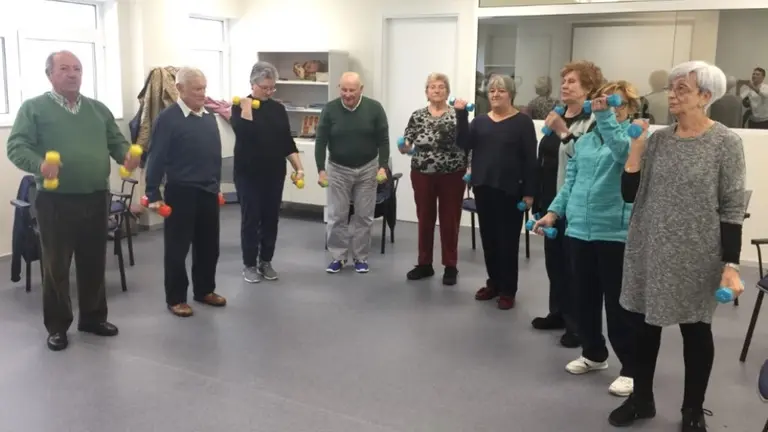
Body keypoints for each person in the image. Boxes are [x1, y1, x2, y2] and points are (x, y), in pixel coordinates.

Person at [608, 61, 746, 431]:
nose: (672, 94)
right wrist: (636, 149)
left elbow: (733, 206)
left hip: (697, 254)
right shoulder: (659, 139)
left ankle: (692, 410)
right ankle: (642, 400)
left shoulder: (725, 143)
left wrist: (730, 264)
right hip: (649, 247)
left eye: (682, 89)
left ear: (705, 96)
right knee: (644, 328)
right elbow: (629, 194)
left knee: (695, 331)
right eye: (671, 88)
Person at [6, 50, 140, 351]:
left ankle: (92, 318)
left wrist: (127, 157)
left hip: (96, 195)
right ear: (50, 74)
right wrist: (39, 164)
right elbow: (16, 146)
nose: (72, 74)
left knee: (94, 261)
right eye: (64, 68)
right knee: (56, 266)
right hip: (55, 200)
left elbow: (116, 143)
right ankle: (57, 326)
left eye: (77, 68)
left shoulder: (97, 109)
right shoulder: (34, 108)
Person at [535, 80, 642, 397]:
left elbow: (623, 155)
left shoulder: (633, 136)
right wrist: (553, 213)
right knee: (583, 298)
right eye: (603, 102)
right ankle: (594, 353)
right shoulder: (584, 142)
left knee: (618, 304)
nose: (607, 108)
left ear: (628, 107)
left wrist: (607, 116)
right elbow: (570, 182)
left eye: (615, 103)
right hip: (579, 230)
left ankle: (631, 369)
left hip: (613, 232)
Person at [531, 61, 603, 348]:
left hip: (576, 204)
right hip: (552, 200)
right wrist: (539, 199)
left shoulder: (593, 121)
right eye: (564, 81)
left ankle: (578, 326)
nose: (565, 85)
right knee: (555, 263)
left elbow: (586, 161)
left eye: (572, 81)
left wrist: (562, 130)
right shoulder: (559, 115)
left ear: (588, 87)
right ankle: (558, 313)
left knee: (576, 268)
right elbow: (546, 159)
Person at [145, 67, 226, 318]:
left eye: (204, 88)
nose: (203, 93)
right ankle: (176, 297)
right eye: (197, 89)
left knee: (209, 247)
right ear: (180, 89)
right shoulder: (168, 119)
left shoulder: (208, 117)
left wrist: (217, 186)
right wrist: (152, 193)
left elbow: (214, 156)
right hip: (181, 191)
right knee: (177, 249)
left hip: (208, 190)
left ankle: (204, 290)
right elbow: (156, 157)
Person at [458, 74, 537, 310]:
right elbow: (463, 142)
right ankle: (493, 283)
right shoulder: (480, 121)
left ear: (510, 94)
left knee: (507, 242)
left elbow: (530, 160)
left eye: (500, 91)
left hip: (511, 190)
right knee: (489, 240)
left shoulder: (522, 122)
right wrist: (461, 115)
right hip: (483, 186)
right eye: (491, 91)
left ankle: (507, 290)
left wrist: (530, 192)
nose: (495, 94)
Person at [230, 61, 304, 283]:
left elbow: (286, 141)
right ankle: (249, 264)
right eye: (265, 88)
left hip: (274, 173)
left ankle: (266, 261)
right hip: (248, 174)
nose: (270, 92)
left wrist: (298, 167)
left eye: (273, 87)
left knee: (271, 218)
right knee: (251, 219)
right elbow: (246, 135)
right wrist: (246, 107)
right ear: (253, 84)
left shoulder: (278, 109)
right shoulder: (238, 108)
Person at [315, 72, 390, 274]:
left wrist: (383, 165)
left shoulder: (374, 108)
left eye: (352, 90)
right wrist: (321, 169)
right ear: (339, 88)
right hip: (338, 168)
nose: (347, 94)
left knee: (364, 216)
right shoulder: (330, 110)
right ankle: (338, 257)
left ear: (361, 89)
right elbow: (321, 141)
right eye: (344, 90)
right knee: (337, 215)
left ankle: (360, 258)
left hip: (367, 168)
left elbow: (383, 139)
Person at [400, 73, 469, 286]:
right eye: (432, 87)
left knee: (450, 220)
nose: (436, 90)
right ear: (426, 92)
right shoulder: (417, 115)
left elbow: (468, 142)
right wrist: (404, 147)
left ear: (447, 92)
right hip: (422, 174)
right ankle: (424, 264)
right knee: (425, 218)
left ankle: (450, 265)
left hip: (453, 175)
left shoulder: (457, 114)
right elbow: (407, 143)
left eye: (441, 87)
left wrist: (471, 168)